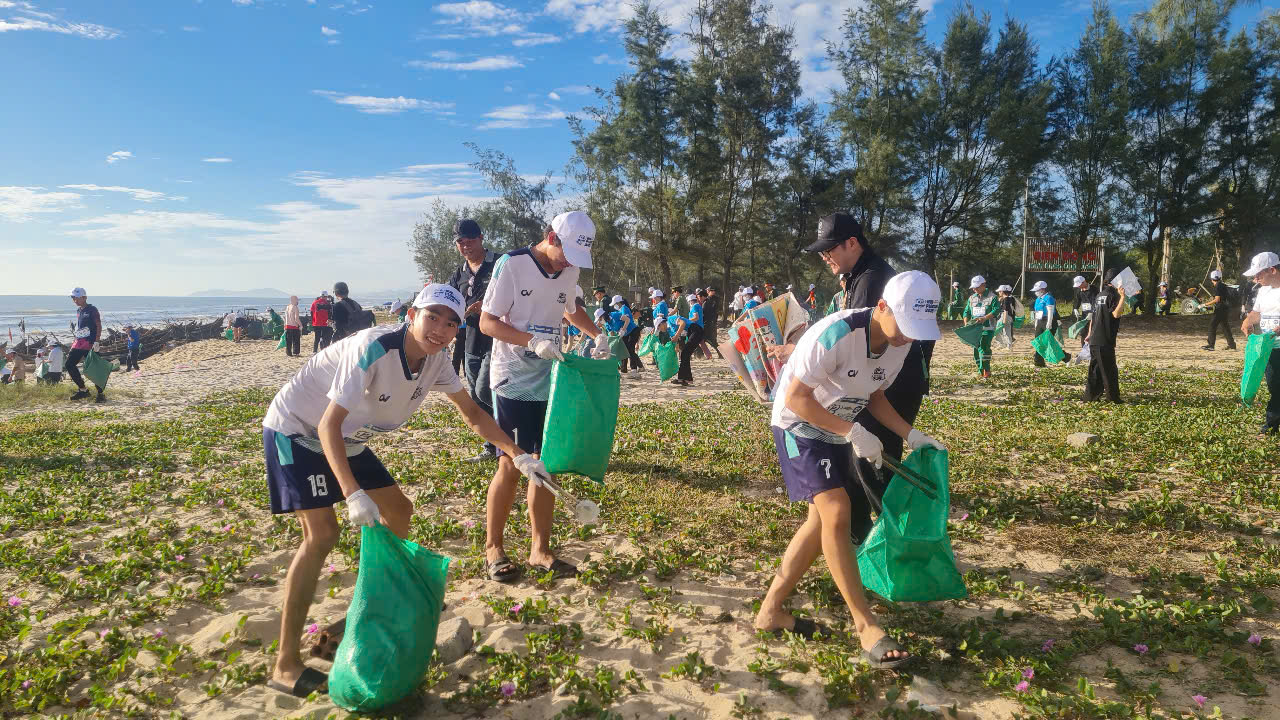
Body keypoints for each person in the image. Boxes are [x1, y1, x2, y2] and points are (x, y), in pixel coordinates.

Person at [262, 283, 551, 697]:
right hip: (298, 430)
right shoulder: (373, 347)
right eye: (432, 316)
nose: (440, 328)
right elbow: (327, 424)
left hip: (348, 437)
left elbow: (472, 413)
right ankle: (285, 665)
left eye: (451, 322)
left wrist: (519, 455)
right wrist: (352, 494)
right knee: (323, 534)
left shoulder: (437, 361)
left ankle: (355, 617)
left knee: (399, 512)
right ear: (412, 314)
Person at [757, 270, 943, 667]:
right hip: (798, 423)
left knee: (820, 522)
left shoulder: (901, 344)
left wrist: (910, 435)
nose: (908, 337)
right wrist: (853, 432)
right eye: (905, 326)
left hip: (839, 426)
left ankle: (770, 612)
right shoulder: (836, 335)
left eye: (916, 330)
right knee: (837, 512)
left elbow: (874, 394)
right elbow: (797, 399)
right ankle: (865, 626)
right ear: (881, 307)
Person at [479, 211, 610, 583]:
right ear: (551, 237)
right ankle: (494, 548)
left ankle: (540, 550)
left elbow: (570, 310)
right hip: (514, 377)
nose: (570, 263)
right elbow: (488, 321)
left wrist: (595, 334)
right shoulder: (513, 264)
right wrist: (531, 341)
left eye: (577, 258)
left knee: (546, 461)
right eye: (566, 252)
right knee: (512, 461)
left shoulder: (570, 270)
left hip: (551, 376)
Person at [447, 218, 500, 462]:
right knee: (476, 396)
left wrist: (487, 308)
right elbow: (450, 303)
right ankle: (493, 446)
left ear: (481, 237)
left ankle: (512, 437)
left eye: (470, 240)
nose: (465, 246)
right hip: (469, 341)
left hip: (497, 341)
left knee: (485, 391)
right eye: (460, 242)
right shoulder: (459, 274)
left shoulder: (501, 264)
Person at [1240, 252, 1280, 434]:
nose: (1255, 278)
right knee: (1274, 386)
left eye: (1258, 274)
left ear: (1272, 270)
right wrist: (1247, 321)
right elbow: (1257, 312)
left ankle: (1271, 425)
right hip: (1269, 348)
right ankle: (1272, 425)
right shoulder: (1263, 290)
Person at [1083, 269, 1126, 403]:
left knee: (1095, 370)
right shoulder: (1114, 295)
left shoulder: (1100, 294)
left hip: (1095, 338)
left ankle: (1090, 397)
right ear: (1115, 281)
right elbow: (1116, 314)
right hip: (1105, 338)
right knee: (1109, 370)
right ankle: (1113, 398)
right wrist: (1123, 298)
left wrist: (1090, 334)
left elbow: (1093, 317)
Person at [66, 287, 105, 402]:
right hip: (79, 342)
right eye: (73, 298)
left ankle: (101, 394)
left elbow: (98, 325)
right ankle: (83, 390)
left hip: (91, 343)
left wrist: (97, 341)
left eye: (77, 298)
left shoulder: (92, 309)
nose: (75, 300)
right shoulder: (79, 311)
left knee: (94, 368)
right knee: (69, 364)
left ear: (84, 297)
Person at [962, 276, 999, 378]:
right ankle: (980, 369)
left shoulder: (993, 297)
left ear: (984, 285)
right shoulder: (972, 298)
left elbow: (996, 310)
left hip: (988, 328)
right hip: (974, 329)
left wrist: (985, 318)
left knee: (984, 347)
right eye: (973, 288)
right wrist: (966, 323)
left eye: (976, 287)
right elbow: (966, 312)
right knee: (976, 349)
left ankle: (986, 370)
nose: (974, 289)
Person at [1030, 281, 1069, 366]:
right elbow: (1037, 312)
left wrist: (1049, 323)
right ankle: (1038, 361)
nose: (1036, 292)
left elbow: (1050, 311)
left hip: (1049, 321)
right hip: (1040, 321)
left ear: (1043, 289)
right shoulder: (1038, 299)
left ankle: (1065, 356)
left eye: (1037, 290)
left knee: (1047, 342)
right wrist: (1036, 322)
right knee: (1038, 341)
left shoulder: (1049, 298)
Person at [673, 293, 705, 386]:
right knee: (686, 354)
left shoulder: (695, 307)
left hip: (695, 329)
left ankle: (685, 378)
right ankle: (685, 378)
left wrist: (687, 320)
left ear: (690, 301)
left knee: (685, 353)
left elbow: (696, 317)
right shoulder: (698, 306)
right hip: (695, 330)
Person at [1202, 270, 1237, 351]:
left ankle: (1211, 345)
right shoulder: (1223, 285)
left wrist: (1205, 304)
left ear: (1212, 279)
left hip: (1220, 309)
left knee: (1212, 326)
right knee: (1225, 327)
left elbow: (1217, 299)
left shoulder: (1217, 286)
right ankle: (1232, 345)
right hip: (1225, 308)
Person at [612, 295, 643, 376]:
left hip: (633, 331)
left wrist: (623, 330)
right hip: (627, 332)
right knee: (624, 349)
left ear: (618, 303)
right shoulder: (620, 309)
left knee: (630, 349)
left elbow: (627, 320)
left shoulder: (624, 308)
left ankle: (634, 369)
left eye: (615, 304)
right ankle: (624, 369)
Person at [996, 285, 1017, 350]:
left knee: (997, 330)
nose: (999, 293)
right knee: (1007, 331)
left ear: (1002, 292)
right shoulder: (1011, 298)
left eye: (999, 291)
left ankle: (1002, 344)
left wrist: (1004, 320)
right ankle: (1008, 346)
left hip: (1005, 316)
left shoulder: (1006, 299)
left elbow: (1005, 310)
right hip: (1009, 316)